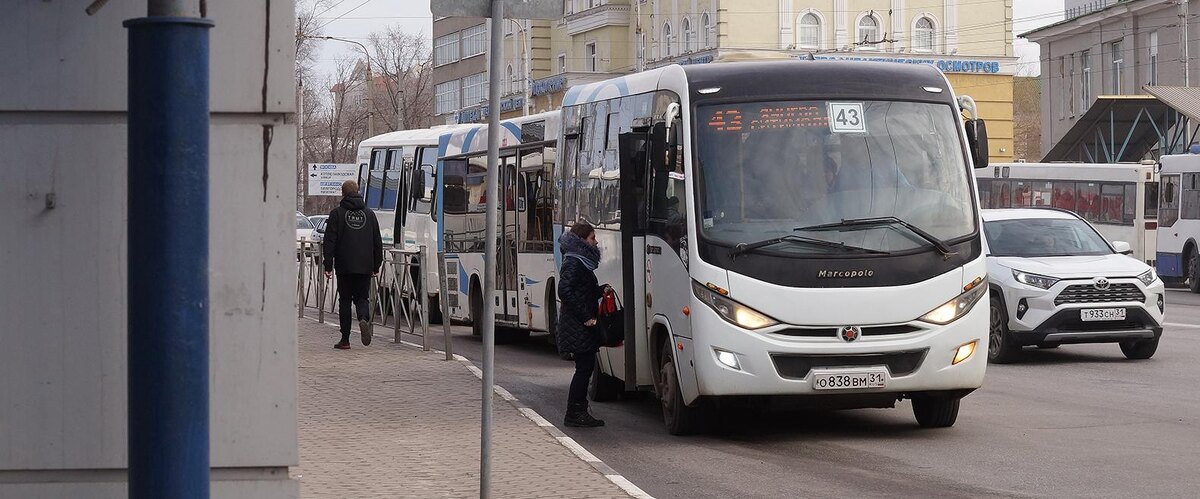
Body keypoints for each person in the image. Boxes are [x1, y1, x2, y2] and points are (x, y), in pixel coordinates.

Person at [556, 222, 609, 428]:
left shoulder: (581, 261)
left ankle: (578, 411)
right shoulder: (574, 262)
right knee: (584, 370)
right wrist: (586, 316)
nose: (595, 242)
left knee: (585, 369)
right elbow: (565, 290)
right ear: (582, 240)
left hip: (580, 325)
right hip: (578, 325)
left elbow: (581, 291)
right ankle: (575, 413)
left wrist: (600, 290)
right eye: (592, 238)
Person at [323, 180, 384, 350]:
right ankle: (363, 318)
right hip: (365, 265)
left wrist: (328, 265)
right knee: (361, 298)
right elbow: (377, 242)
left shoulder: (337, 214)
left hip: (344, 265)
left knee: (345, 301)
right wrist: (376, 265)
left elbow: (330, 241)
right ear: (358, 192)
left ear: (343, 194)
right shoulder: (370, 214)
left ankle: (345, 339)